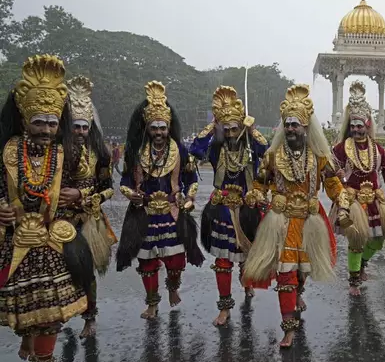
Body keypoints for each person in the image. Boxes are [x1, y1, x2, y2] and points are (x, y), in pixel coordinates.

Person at [0, 55, 91, 362]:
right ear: (25, 120)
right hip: (16, 241)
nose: (47, 130)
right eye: (39, 123)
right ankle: (27, 337)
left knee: (51, 313)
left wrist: (79, 194)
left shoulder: (68, 152)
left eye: (52, 124)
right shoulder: (8, 152)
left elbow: (88, 184)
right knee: (23, 311)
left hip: (53, 242)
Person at [243, 84, 352, 348]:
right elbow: (259, 184)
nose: (291, 129)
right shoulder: (271, 157)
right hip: (280, 223)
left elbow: (335, 185)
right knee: (285, 274)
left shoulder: (319, 158)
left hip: (310, 222)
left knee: (303, 271)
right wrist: (255, 195)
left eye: (296, 125)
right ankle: (289, 327)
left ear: (306, 127)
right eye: (287, 124)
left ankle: (299, 292)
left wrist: (344, 204)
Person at [116, 81, 203, 319]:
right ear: (147, 127)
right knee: (147, 264)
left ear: (168, 128)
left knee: (175, 261)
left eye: (162, 128)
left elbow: (192, 178)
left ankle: (173, 287)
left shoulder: (180, 150)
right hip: (144, 214)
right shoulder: (136, 152)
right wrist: (130, 194)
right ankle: (152, 303)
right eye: (154, 128)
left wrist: (190, 197)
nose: (158, 133)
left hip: (172, 212)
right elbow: (124, 181)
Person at [189, 86, 267, 326]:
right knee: (222, 261)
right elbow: (195, 149)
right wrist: (213, 126)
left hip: (247, 207)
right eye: (227, 129)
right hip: (222, 208)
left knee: (245, 255)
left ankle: (247, 284)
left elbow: (267, 150)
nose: (232, 133)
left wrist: (252, 130)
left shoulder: (250, 148)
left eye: (235, 128)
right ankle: (224, 307)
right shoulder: (216, 148)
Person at [331, 81, 385, 296]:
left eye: (360, 126)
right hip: (352, 202)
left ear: (367, 124)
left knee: (379, 240)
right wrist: (337, 174)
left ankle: (361, 265)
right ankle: (353, 281)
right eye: (352, 126)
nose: (356, 130)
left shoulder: (378, 150)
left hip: (374, 202)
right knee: (356, 240)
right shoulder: (341, 148)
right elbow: (331, 168)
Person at [61, 75, 117, 338]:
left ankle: (90, 318)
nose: (80, 132)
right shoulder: (56, 151)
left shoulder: (101, 154)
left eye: (84, 127)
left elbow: (108, 189)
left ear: (91, 126)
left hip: (87, 220)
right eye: (76, 126)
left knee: (86, 271)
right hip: (58, 219)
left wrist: (83, 196)